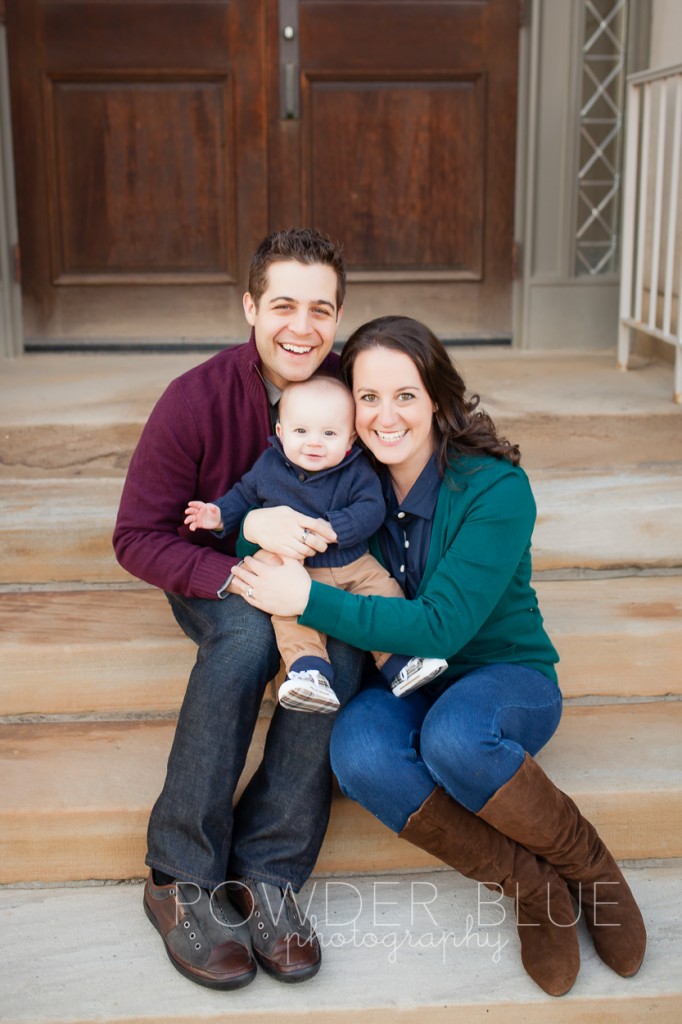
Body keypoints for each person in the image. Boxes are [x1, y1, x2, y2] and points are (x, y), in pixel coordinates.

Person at [231, 315, 647, 998]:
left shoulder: (495, 490)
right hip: (402, 683)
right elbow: (268, 532)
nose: (385, 415)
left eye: (405, 395)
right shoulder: (337, 473)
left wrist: (304, 597)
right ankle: (531, 886)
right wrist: (251, 529)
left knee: (456, 737)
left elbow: (442, 626)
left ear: (438, 397)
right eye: (367, 397)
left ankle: (590, 868)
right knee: (358, 751)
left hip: (502, 675)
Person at [113, 228, 369, 991]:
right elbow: (135, 536)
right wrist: (242, 546)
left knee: (342, 640)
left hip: (324, 573)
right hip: (216, 573)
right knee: (248, 638)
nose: (301, 326)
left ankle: (268, 871)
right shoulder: (194, 399)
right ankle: (178, 873)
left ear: (338, 317)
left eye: (320, 309)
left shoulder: (351, 392)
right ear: (250, 306)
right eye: (283, 304)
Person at [184, 373, 447, 712]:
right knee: (290, 619)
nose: (314, 443)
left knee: (384, 591)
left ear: (350, 438)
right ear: (281, 432)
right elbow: (243, 494)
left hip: (355, 564)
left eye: (329, 433)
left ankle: (400, 663)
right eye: (300, 431)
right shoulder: (269, 466)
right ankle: (309, 673)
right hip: (296, 570)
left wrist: (335, 527)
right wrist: (218, 515)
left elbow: (372, 508)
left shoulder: (356, 471)